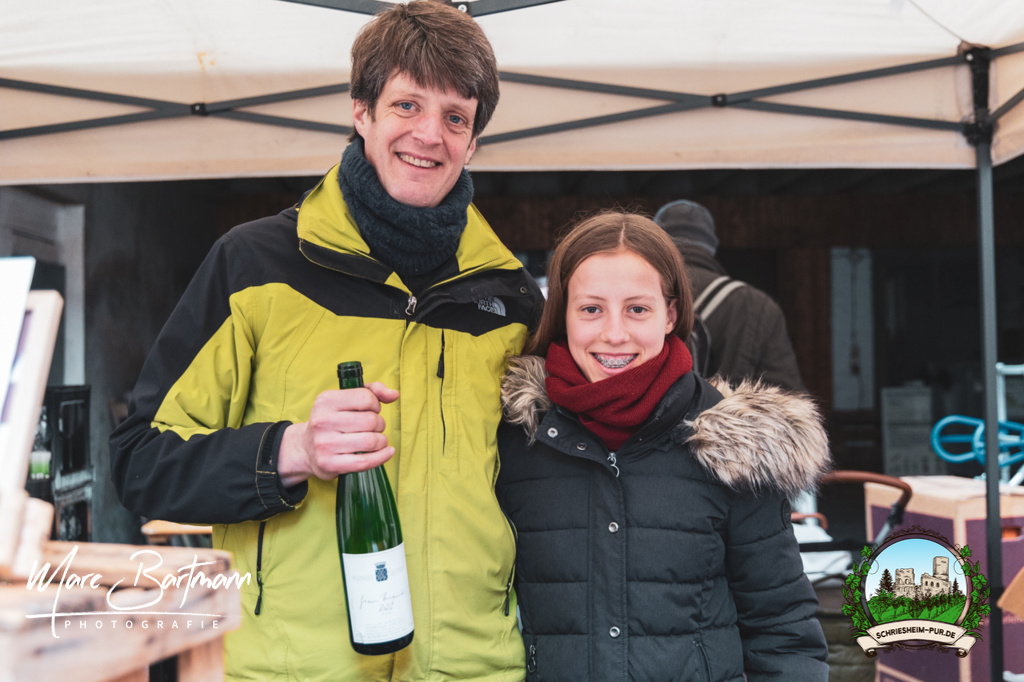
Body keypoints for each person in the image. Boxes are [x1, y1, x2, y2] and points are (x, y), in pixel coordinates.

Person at [109, 2, 542, 680]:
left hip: (473, 667)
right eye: (406, 105)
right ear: (361, 111)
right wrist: (291, 451)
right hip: (294, 668)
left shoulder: (511, 299)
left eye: (456, 117)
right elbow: (140, 462)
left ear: (474, 141)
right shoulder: (253, 266)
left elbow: (551, 487)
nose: (430, 134)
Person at [496, 211, 830, 681]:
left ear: (670, 314)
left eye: (637, 309)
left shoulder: (733, 449)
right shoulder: (516, 437)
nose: (615, 333)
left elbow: (783, 631)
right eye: (591, 309)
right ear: (563, 314)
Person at [653, 198, 806, 391]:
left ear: (657, 245)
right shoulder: (757, 305)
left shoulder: (636, 298)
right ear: (712, 247)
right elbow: (787, 396)